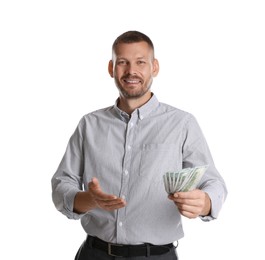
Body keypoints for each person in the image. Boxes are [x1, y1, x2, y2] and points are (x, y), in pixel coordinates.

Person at [51, 30, 227, 260]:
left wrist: (204, 203)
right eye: (122, 62)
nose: (131, 71)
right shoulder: (89, 124)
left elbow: (213, 182)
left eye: (140, 62)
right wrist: (89, 200)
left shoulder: (182, 123)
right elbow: (61, 184)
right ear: (111, 68)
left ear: (154, 67)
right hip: (95, 254)